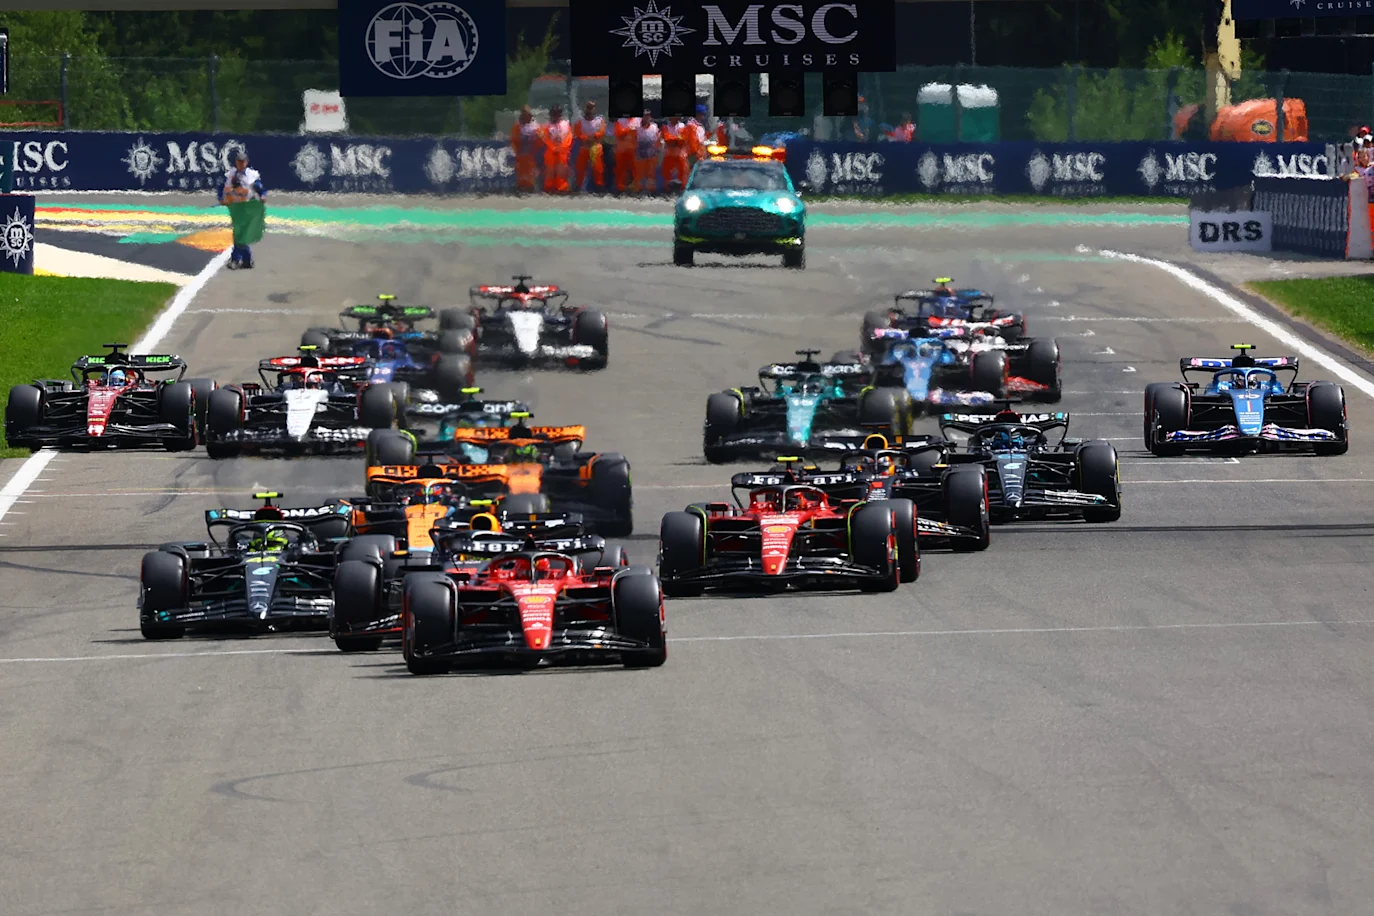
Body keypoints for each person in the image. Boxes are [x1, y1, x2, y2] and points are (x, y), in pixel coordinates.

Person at [218, 151, 265, 269]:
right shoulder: (230, 175)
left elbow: (260, 188)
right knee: (240, 233)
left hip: (247, 206)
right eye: (239, 161)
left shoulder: (252, 175)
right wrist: (221, 199)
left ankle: (235, 259)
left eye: (243, 161)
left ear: (246, 162)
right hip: (235, 207)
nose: (241, 164)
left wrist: (263, 196)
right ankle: (247, 260)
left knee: (240, 233)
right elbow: (221, 187)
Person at [572, 101, 606, 192]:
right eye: (588, 108)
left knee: (598, 168)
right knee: (580, 168)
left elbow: (602, 131)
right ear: (585, 109)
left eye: (591, 108)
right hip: (584, 147)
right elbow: (577, 132)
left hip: (595, 146)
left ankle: (599, 187)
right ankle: (578, 187)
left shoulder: (599, 120)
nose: (590, 110)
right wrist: (586, 138)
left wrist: (596, 136)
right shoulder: (580, 121)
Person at [541, 105, 573, 194]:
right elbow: (545, 138)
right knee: (549, 171)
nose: (555, 116)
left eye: (557, 114)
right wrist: (554, 148)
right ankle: (549, 188)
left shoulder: (566, 125)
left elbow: (569, 138)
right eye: (554, 114)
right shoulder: (547, 126)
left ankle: (562, 188)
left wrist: (561, 148)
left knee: (562, 171)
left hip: (562, 152)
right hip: (551, 152)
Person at [510, 106, 542, 193]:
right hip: (521, 154)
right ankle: (520, 187)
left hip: (531, 155)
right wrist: (516, 151)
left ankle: (531, 187)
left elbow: (540, 140)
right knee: (521, 173)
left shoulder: (535, 126)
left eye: (528, 115)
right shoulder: (517, 126)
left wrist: (535, 150)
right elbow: (513, 140)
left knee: (531, 173)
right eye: (524, 114)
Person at [660, 115, 691, 193]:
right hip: (668, 155)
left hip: (680, 155)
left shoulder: (683, 126)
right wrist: (676, 140)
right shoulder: (665, 127)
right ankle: (667, 190)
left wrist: (675, 141)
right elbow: (667, 139)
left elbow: (683, 139)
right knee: (666, 173)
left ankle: (682, 190)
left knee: (683, 172)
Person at [612, 111, 641, 193]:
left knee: (635, 170)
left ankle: (635, 189)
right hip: (621, 150)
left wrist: (630, 132)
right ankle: (620, 189)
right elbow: (619, 134)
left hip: (634, 150)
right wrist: (629, 131)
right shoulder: (620, 121)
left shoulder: (638, 120)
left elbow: (639, 134)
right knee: (621, 170)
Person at [634, 112, 662, 194]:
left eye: (648, 115)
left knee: (651, 173)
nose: (646, 117)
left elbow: (658, 138)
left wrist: (657, 149)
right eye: (645, 115)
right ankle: (638, 189)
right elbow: (634, 140)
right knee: (639, 173)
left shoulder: (654, 126)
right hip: (640, 153)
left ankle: (650, 190)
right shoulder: (637, 127)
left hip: (652, 153)